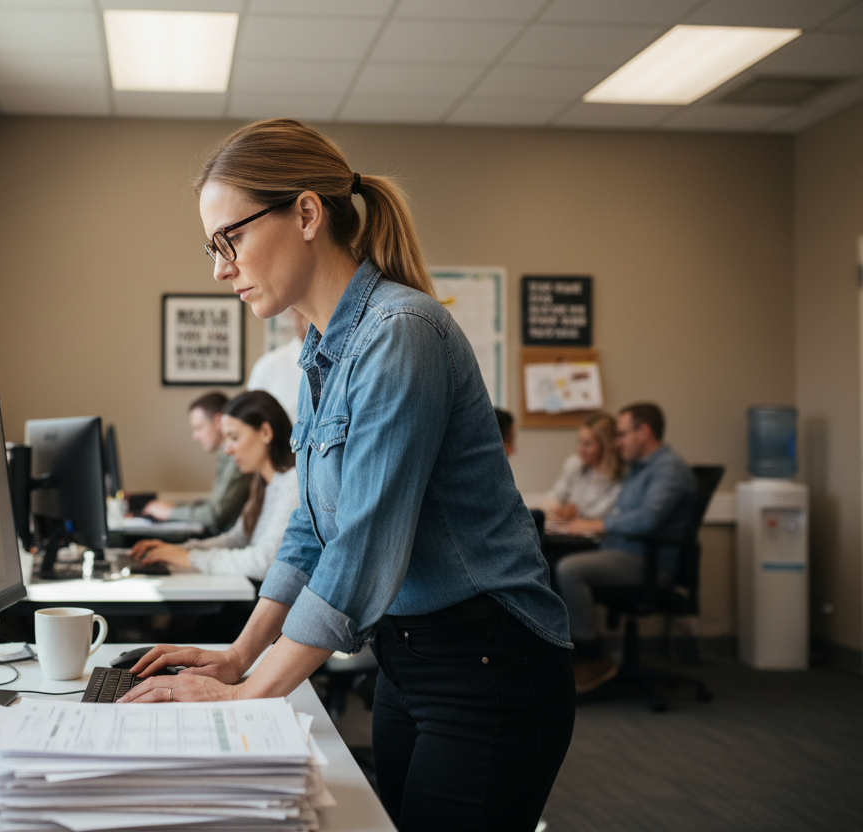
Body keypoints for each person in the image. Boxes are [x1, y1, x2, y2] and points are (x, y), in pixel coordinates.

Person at [118, 118, 574, 832]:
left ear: (305, 213)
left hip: (489, 666)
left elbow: (363, 542)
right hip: (409, 659)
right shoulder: (321, 353)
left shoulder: (401, 333)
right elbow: (311, 528)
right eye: (211, 248)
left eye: (229, 239)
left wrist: (250, 695)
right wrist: (240, 657)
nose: (219, 267)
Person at [556, 402, 696, 693]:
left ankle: (594, 657)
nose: (617, 442)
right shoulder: (638, 470)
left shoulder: (668, 470)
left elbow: (648, 519)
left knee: (570, 570)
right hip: (622, 553)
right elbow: (623, 514)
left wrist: (598, 525)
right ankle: (565, 657)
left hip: (647, 563)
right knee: (553, 558)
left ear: (643, 432)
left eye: (621, 434)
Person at [129, 391, 296, 581]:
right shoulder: (262, 484)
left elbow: (265, 562)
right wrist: (177, 550)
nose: (227, 450)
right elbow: (236, 540)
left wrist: (189, 558)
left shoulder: (292, 484)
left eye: (234, 438)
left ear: (265, 433)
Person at [142, 391, 252, 535]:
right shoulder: (225, 454)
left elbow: (215, 515)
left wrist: (170, 512)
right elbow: (216, 504)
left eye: (199, 428)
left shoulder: (237, 456)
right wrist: (176, 507)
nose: (195, 437)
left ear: (218, 421)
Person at [543, 412, 624, 523]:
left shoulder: (622, 474)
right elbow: (554, 495)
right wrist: (558, 509)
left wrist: (575, 512)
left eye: (588, 444)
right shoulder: (574, 463)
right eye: (579, 442)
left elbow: (606, 513)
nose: (580, 449)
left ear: (606, 445)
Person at [247, 308, 310, 423]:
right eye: (306, 313)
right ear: (295, 316)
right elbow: (251, 421)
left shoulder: (347, 362)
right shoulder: (268, 366)